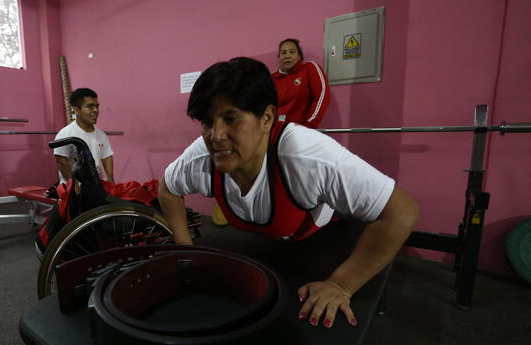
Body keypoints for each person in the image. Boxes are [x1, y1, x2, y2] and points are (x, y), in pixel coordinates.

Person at [158, 57, 418, 328]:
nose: (216, 136)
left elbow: (402, 212)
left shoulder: (307, 156)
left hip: (326, 229)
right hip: (269, 237)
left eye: (231, 119)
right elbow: (167, 188)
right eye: (207, 123)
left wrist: (341, 285)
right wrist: (186, 251)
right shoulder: (200, 156)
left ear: (267, 118)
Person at [54, 88, 115, 184]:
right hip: (73, 188)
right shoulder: (65, 134)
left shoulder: (101, 135)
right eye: (90, 106)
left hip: (95, 184)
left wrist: (110, 178)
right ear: (76, 110)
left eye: (96, 106)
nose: (95, 110)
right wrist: (74, 185)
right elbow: (61, 161)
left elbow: (107, 156)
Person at [272, 38, 330, 128]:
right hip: (275, 132)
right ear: (279, 56)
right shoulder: (271, 78)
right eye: (283, 53)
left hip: (301, 131)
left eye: (292, 52)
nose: (287, 56)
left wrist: (308, 126)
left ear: (299, 56)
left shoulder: (309, 68)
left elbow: (322, 96)